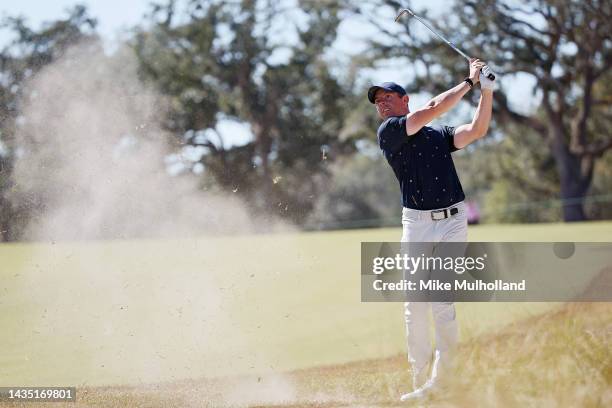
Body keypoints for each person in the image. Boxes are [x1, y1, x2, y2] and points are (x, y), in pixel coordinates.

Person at [367, 59, 495, 400]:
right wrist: (469, 83)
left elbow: (476, 130)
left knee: (441, 299)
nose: (382, 103)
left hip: (453, 222)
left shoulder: (438, 135)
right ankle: (419, 376)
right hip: (417, 225)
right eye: (377, 100)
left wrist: (487, 91)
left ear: (404, 98)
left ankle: (443, 382)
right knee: (416, 303)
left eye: (388, 97)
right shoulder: (389, 132)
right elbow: (434, 107)